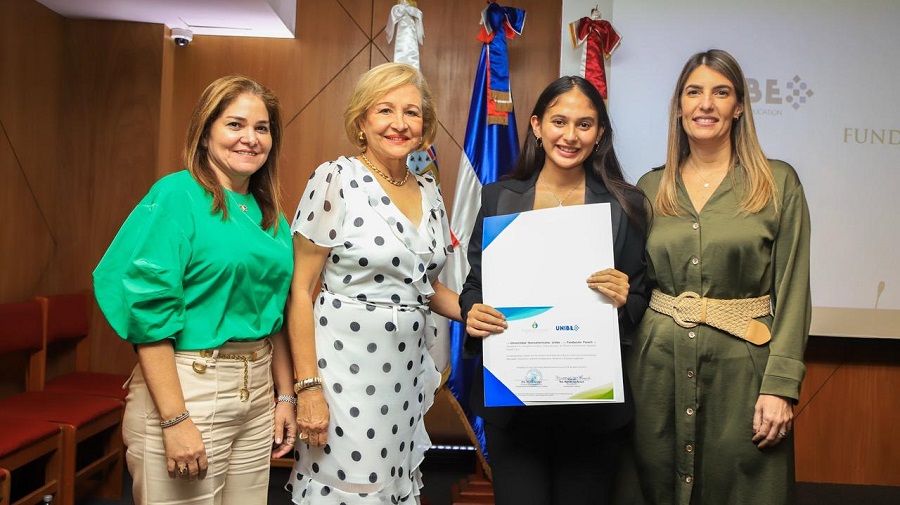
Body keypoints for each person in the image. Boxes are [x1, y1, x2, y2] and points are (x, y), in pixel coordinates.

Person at [93, 75, 297, 505]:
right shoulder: (176, 195)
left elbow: (276, 313)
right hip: (190, 385)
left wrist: (284, 395)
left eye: (262, 128)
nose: (250, 138)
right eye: (235, 125)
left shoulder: (271, 216)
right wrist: (175, 419)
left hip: (256, 389)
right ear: (206, 134)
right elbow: (148, 315)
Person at [627, 49, 811, 504]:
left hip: (744, 376)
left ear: (739, 106)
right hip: (654, 372)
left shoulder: (777, 183)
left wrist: (780, 387)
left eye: (720, 92)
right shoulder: (649, 188)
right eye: (694, 92)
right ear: (679, 106)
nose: (705, 104)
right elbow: (631, 285)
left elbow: (793, 290)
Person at [460, 75, 649, 505]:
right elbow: (474, 286)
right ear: (536, 125)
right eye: (559, 121)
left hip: (593, 407)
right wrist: (473, 312)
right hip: (515, 402)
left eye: (585, 124)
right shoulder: (499, 199)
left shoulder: (626, 205)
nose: (570, 135)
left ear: (600, 133)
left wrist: (624, 295)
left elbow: (641, 299)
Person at [286, 62, 460, 504]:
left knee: (390, 485)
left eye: (412, 113)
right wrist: (307, 390)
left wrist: (478, 312)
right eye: (385, 110)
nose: (399, 124)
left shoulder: (429, 190)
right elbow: (301, 290)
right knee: (350, 489)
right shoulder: (336, 179)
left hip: (403, 374)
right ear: (362, 120)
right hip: (342, 373)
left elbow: (425, 287)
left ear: (426, 124)